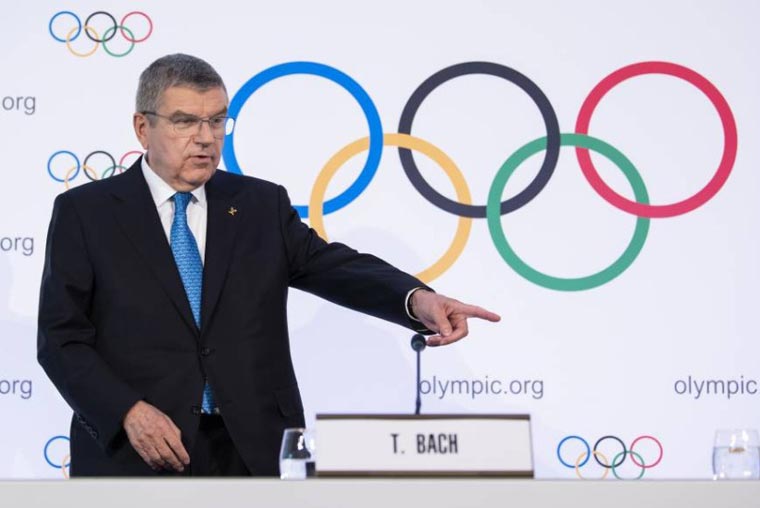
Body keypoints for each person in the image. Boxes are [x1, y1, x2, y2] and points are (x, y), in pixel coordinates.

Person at [37, 53, 500, 477]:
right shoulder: (87, 213)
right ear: (143, 128)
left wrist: (417, 300)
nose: (205, 138)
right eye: (185, 122)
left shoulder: (259, 205)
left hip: (251, 450)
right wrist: (126, 411)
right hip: (138, 451)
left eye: (217, 121)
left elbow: (335, 267)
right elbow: (61, 339)